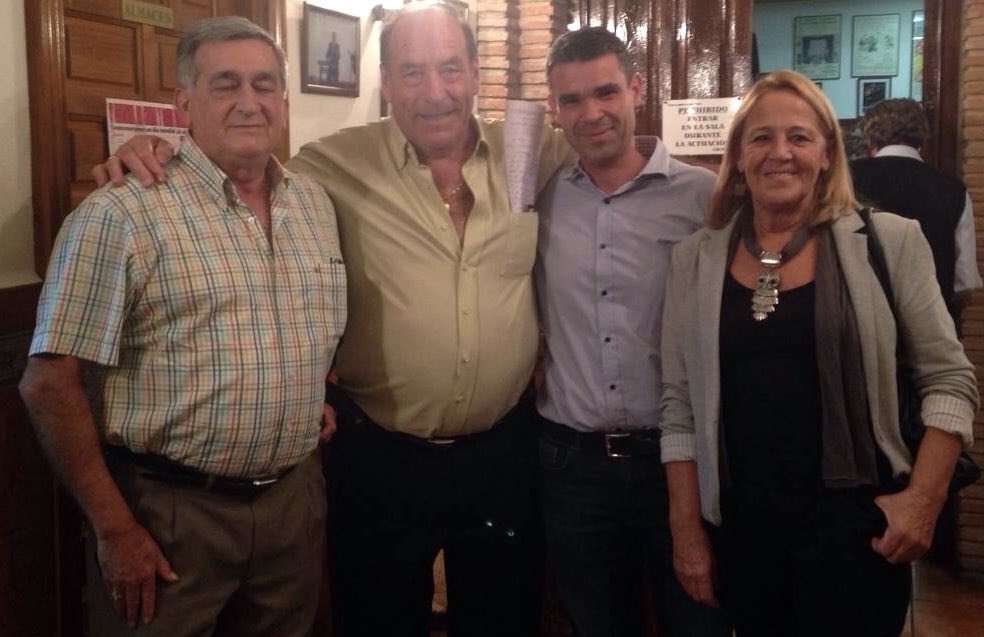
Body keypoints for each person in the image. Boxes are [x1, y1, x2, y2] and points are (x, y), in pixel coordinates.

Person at [93, 3, 573, 635]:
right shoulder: (327, 168)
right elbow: (239, 162)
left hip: (502, 456)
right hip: (380, 456)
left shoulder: (538, 154)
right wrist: (149, 151)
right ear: (386, 82)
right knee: (375, 617)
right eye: (412, 72)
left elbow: (612, 159)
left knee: (503, 616)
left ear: (476, 72)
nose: (434, 92)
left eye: (449, 69)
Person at [19, 16, 346, 637]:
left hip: (292, 507)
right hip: (168, 515)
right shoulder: (121, 213)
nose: (249, 102)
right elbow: (48, 383)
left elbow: (309, 323)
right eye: (225, 85)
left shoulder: (315, 204)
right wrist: (116, 529)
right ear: (184, 103)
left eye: (264, 84)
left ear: (283, 98)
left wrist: (312, 394)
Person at [658, 69, 978, 636]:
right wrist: (686, 529)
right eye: (760, 138)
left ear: (828, 153)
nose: (779, 153)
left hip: (858, 533)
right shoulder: (695, 259)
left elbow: (950, 381)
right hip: (743, 532)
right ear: (739, 155)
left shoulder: (890, 241)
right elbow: (679, 405)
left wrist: (923, 500)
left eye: (799, 137)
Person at [534, 27, 728, 637]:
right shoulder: (536, 201)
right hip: (572, 466)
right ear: (554, 110)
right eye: (571, 100)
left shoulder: (703, 198)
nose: (591, 113)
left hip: (679, 460)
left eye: (605, 92)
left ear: (636, 89)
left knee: (696, 620)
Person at [850, 98, 982, 332]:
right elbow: (965, 282)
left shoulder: (844, 181)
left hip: (859, 326)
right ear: (922, 137)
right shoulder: (952, 190)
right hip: (931, 329)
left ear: (870, 137)